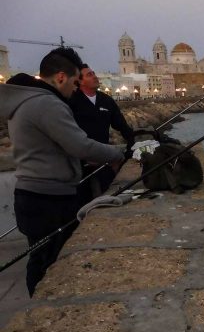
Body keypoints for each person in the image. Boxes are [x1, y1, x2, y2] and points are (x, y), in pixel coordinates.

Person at [0, 47, 125, 295]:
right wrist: (117, 153)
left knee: (41, 259)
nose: (75, 89)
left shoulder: (25, 100)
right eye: (75, 82)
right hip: (49, 200)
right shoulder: (46, 103)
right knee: (48, 263)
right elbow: (79, 144)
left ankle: (39, 309)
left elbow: (51, 147)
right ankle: (41, 312)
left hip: (32, 195)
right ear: (60, 77)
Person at [69, 63, 135, 204]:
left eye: (94, 73)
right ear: (79, 81)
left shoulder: (106, 100)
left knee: (108, 194)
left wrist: (134, 143)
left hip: (103, 158)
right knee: (82, 200)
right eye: (89, 75)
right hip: (80, 163)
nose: (95, 77)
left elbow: (121, 126)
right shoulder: (72, 102)